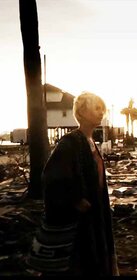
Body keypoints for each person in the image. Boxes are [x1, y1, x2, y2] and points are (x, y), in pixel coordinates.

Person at [28, 92, 119, 276]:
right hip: (79, 219)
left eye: (103, 109)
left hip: (96, 215)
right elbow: (51, 177)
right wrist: (75, 199)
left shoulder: (91, 142)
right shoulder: (69, 143)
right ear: (83, 112)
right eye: (97, 108)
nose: (102, 113)